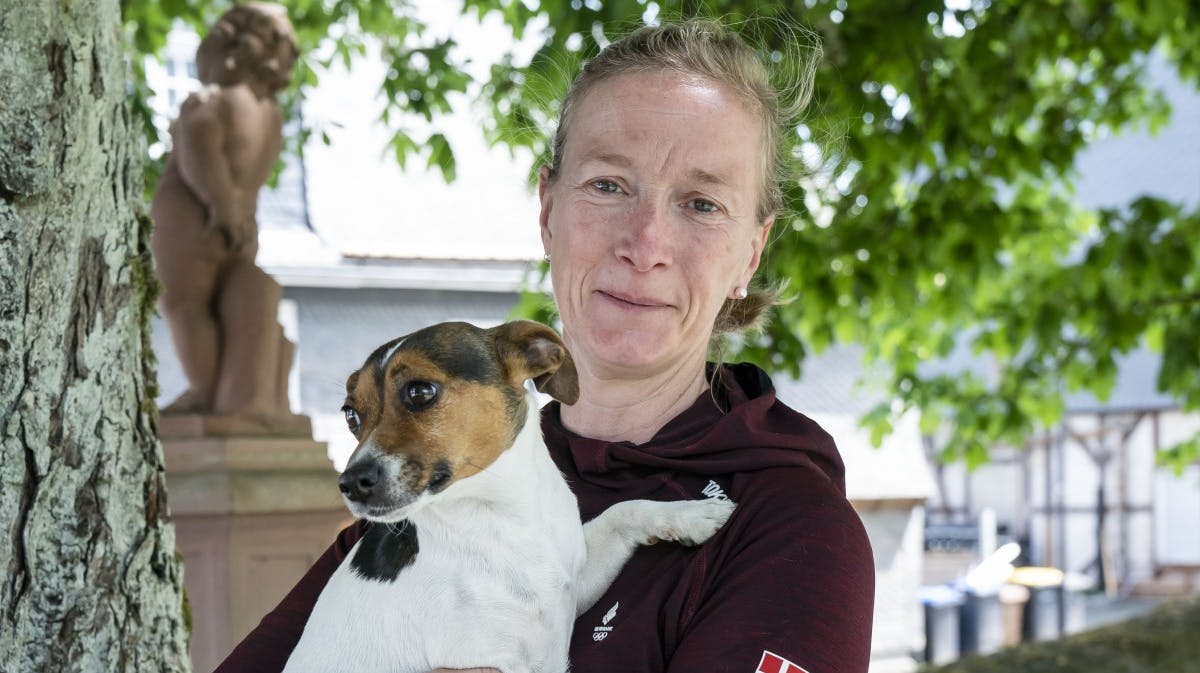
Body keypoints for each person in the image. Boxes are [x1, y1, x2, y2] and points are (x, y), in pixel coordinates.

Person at [215, 18, 875, 673]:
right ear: (547, 212)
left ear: (749, 255)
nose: (645, 245)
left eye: (701, 203)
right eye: (609, 185)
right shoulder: (445, 482)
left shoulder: (791, 529)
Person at [151, 2, 299, 422]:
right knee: (223, 304)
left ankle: (207, 391)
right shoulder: (270, 115)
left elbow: (199, 151)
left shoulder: (210, 101)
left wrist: (220, 204)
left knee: (186, 305)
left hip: (195, 217)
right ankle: (232, 393)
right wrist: (237, 213)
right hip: (242, 225)